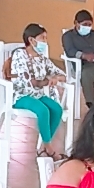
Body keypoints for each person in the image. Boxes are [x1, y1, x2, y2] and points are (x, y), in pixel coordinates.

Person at [5, 24, 67, 159]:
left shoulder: (42, 58)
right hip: (21, 95)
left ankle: (43, 147)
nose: (45, 41)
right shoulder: (20, 55)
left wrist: (56, 78)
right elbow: (29, 81)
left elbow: (62, 74)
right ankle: (49, 148)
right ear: (31, 40)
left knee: (57, 109)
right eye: (42, 38)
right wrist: (47, 80)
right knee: (43, 110)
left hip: (37, 95)